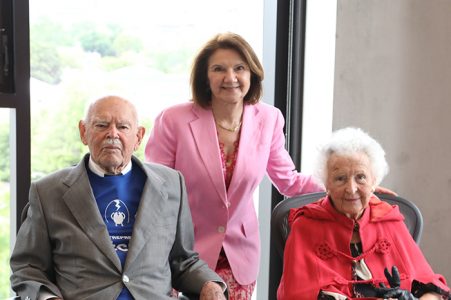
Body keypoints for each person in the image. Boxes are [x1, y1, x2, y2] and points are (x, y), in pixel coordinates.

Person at [144, 32, 326, 299]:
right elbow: (155, 190)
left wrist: (344, 189)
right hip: (182, 254)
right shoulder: (174, 120)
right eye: (219, 69)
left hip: (238, 254)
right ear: (206, 77)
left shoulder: (269, 118)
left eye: (239, 68)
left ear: (251, 73)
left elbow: (289, 180)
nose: (230, 78)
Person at [10, 95, 227, 300]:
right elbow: (28, 268)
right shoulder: (48, 192)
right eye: (102, 125)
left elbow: (184, 260)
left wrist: (210, 285)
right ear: (83, 132)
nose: (112, 134)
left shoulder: (171, 185)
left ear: (139, 137)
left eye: (123, 127)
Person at [277, 127, 450, 300]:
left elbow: (432, 288)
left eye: (360, 177)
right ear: (326, 184)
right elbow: (295, 294)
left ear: (374, 181)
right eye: (340, 179)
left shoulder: (389, 221)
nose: (351, 189)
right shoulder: (305, 226)